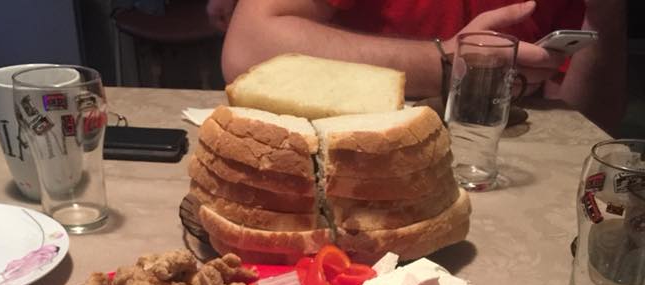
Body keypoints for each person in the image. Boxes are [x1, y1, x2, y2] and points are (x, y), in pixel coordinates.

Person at [221, 0, 626, 133]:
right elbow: (249, 47)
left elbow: (586, 130)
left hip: (496, 177)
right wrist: (447, 65)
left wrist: (604, 17)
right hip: (352, 163)